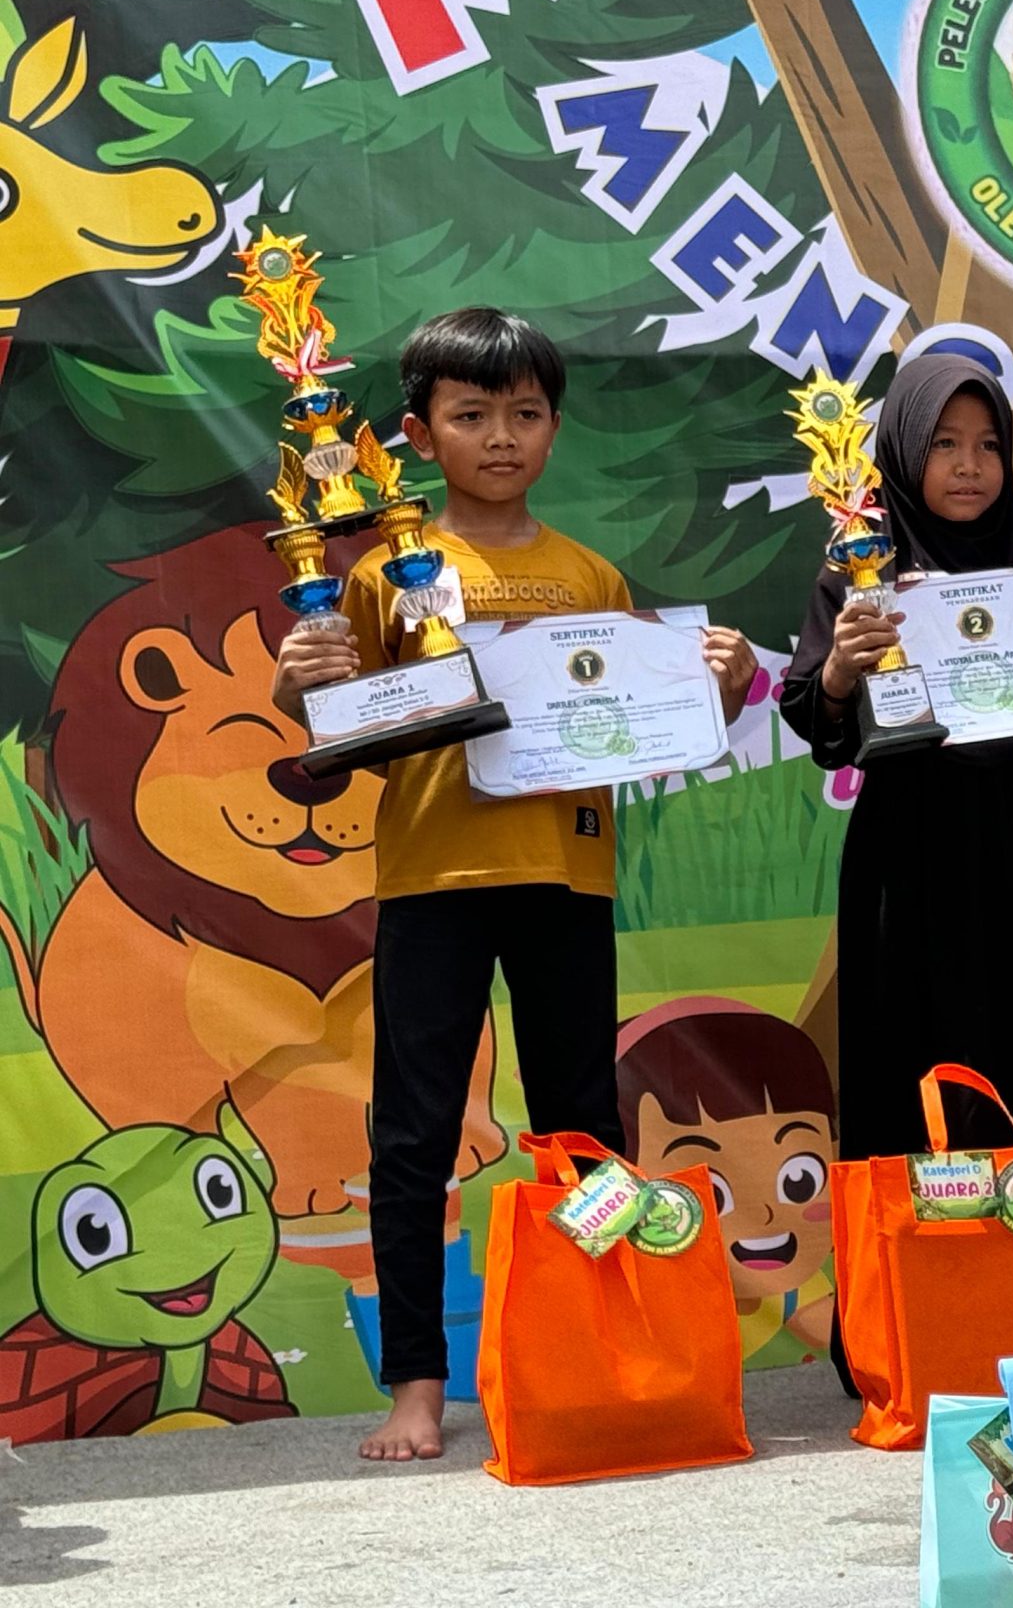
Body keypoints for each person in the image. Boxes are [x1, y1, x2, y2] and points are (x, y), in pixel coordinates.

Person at [272, 307, 757, 1463]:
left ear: (555, 429)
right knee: (413, 1135)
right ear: (418, 436)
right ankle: (417, 1389)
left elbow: (660, 721)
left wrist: (721, 685)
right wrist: (303, 678)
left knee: (581, 1128)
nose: (502, 436)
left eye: (526, 414)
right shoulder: (387, 571)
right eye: (472, 414)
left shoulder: (590, 574)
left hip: (565, 877)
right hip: (433, 881)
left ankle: (588, 1352)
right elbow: (332, 722)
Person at [774, 355, 1013, 1245]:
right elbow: (816, 722)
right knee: (906, 1067)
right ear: (903, 452)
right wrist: (838, 670)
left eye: (986, 445)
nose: (970, 465)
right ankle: (912, 1315)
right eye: (944, 444)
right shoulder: (857, 579)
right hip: (904, 863)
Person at [616, 998, 839, 1366]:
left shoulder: (796, 1290)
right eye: (711, 1191)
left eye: (800, 1180)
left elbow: (840, 1337)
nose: (764, 1215)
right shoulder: (645, 1284)